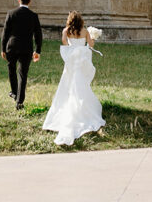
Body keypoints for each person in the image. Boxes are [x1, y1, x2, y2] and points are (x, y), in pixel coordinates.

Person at [43, 10, 106, 145]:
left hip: (72, 61)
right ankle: (83, 109)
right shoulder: (85, 31)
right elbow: (91, 45)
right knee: (82, 84)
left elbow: (65, 44)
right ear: (80, 21)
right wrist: (92, 38)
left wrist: (74, 48)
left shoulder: (66, 31)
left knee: (68, 85)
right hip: (82, 60)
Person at [1, 0, 42, 109]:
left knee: (11, 70)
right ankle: (19, 101)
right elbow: (38, 34)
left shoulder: (11, 13)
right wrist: (37, 50)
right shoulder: (33, 16)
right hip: (26, 48)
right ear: (29, 2)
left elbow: (5, 33)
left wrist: (2, 48)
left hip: (12, 47)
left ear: (19, 1)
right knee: (23, 74)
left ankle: (14, 92)